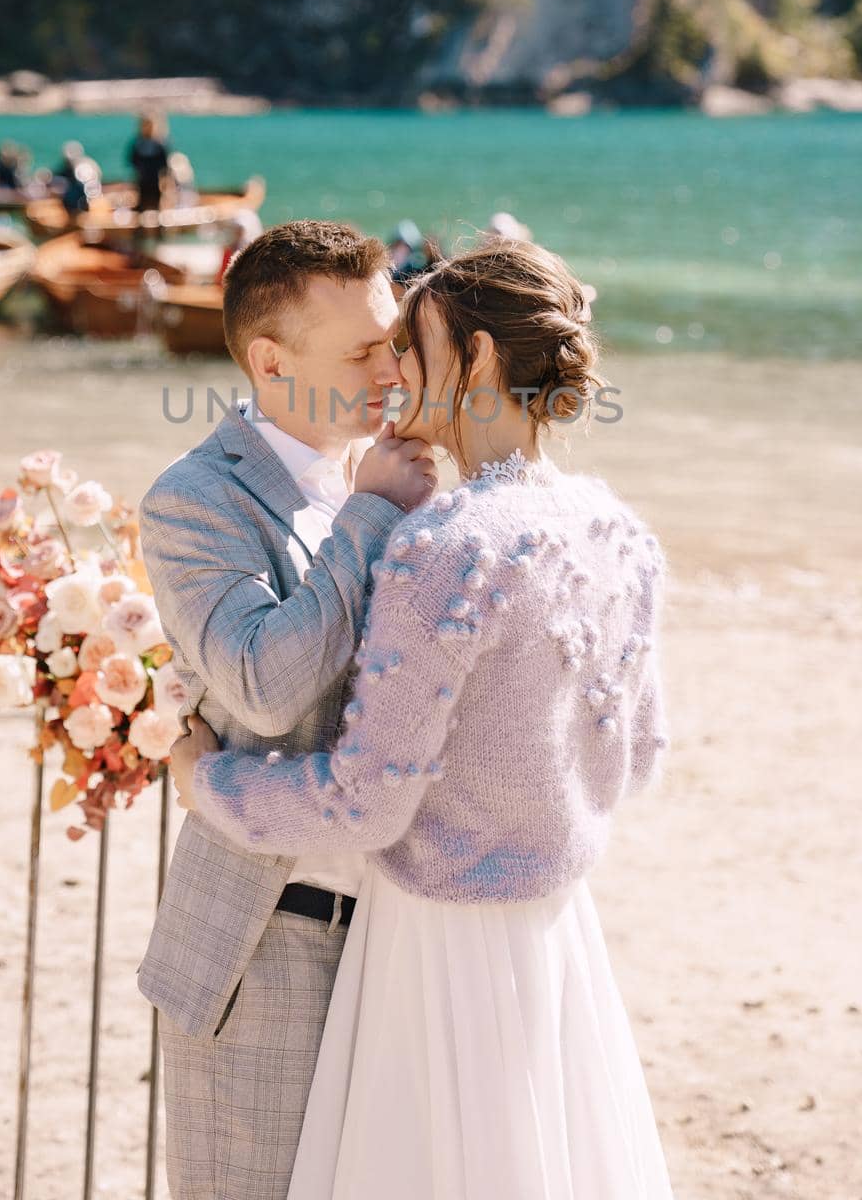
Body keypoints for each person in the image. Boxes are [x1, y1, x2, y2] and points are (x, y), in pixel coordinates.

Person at [169, 236, 677, 1200]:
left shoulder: (446, 543)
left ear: (477, 360)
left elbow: (364, 807)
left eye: (412, 344)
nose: (395, 366)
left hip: (437, 940)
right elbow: (637, 756)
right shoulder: (623, 534)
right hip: (555, 934)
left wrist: (207, 780)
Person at [136, 220, 437, 1200]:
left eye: (392, 337)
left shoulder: (395, 479)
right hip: (267, 943)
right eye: (362, 349)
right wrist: (371, 517)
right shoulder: (194, 500)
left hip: (401, 944)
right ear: (270, 360)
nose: (392, 364)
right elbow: (263, 689)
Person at [126, 110, 172, 213]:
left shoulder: (159, 144)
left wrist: (165, 180)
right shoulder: (138, 144)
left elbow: (164, 165)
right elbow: (132, 161)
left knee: (157, 205)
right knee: (141, 205)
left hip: (155, 180)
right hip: (142, 180)